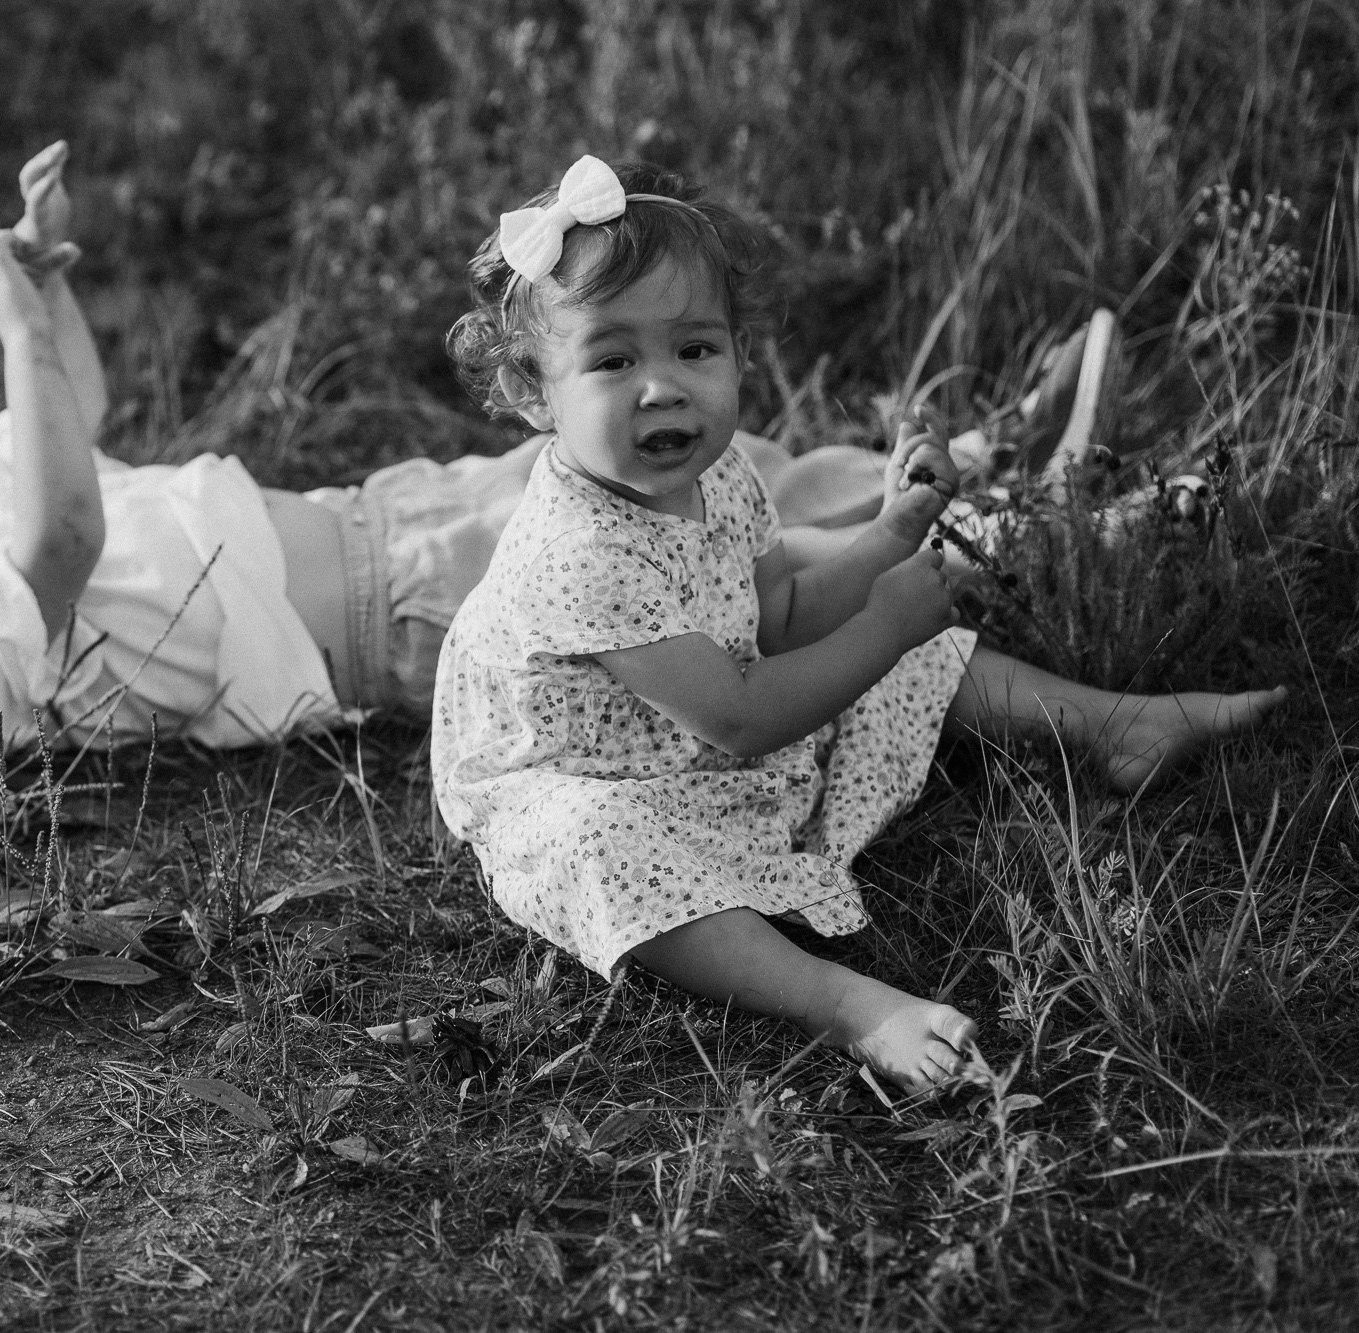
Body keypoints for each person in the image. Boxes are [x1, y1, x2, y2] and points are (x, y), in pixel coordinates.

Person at [0, 143, 932, 771]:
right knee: (683, 586)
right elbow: (62, 532)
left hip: (377, 518)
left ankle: (912, 484)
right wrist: (4, 327)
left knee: (693, 487)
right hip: (391, 619)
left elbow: (68, 410)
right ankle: (930, 553)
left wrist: (47, 288)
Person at [428, 155, 1287, 1091]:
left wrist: (887, 536)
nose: (663, 387)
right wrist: (885, 623)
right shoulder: (579, 553)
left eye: (695, 350)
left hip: (698, 728)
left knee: (905, 664)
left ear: (740, 354)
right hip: (575, 774)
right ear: (531, 393)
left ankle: (1120, 723)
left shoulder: (716, 474)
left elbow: (782, 615)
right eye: (613, 359)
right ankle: (847, 1004)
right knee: (606, 848)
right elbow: (744, 715)